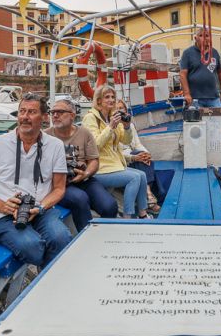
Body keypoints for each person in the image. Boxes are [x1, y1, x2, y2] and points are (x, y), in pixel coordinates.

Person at [0, 93, 71, 266]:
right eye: (22, 111)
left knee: (61, 238)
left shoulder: (55, 146)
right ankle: (50, 281)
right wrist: (3, 206)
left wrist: (40, 207)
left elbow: (59, 188)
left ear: (45, 117)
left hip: (40, 210)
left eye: (31, 112)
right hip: (2, 215)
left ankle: (46, 282)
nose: (24, 117)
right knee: (32, 246)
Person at [47, 97, 118, 230]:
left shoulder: (84, 133)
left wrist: (85, 173)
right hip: (61, 183)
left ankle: (107, 236)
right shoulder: (45, 136)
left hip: (85, 179)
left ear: (72, 116)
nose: (55, 115)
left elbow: (94, 161)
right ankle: (85, 238)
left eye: (60, 112)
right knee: (80, 199)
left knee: (109, 206)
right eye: (52, 112)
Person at [82, 85, 151, 219]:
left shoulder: (113, 117)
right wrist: (111, 127)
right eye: (107, 97)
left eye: (113, 97)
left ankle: (143, 213)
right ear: (99, 100)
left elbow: (125, 140)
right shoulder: (91, 118)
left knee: (142, 175)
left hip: (115, 165)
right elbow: (95, 146)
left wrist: (126, 127)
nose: (111, 100)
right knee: (135, 177)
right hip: (100, 169)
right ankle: (127, 217)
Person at [117, 99, 165, 214]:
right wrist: (136, 156)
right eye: (116, 109)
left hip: (133, 154)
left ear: (126, 110)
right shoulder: (113, 127)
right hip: (122, 157)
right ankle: (149, 196)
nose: (119, 111)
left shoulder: (130, 125)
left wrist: (145, 153)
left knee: (146, 159)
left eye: (121, 108)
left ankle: (148, 195)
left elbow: (137, 144)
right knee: (139, 159)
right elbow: (116, 151)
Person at [179, 28, 221, 108]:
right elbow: (182, 75)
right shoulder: (187, 53)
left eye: (207, 36)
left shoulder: (214, 52)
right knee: (197, 120)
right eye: (201, 35)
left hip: (214, 97)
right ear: (195, 38)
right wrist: (187, 94)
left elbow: (220, 73)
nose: (204, 38)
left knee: (217, 119)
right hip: (195, 98)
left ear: (210, 38)